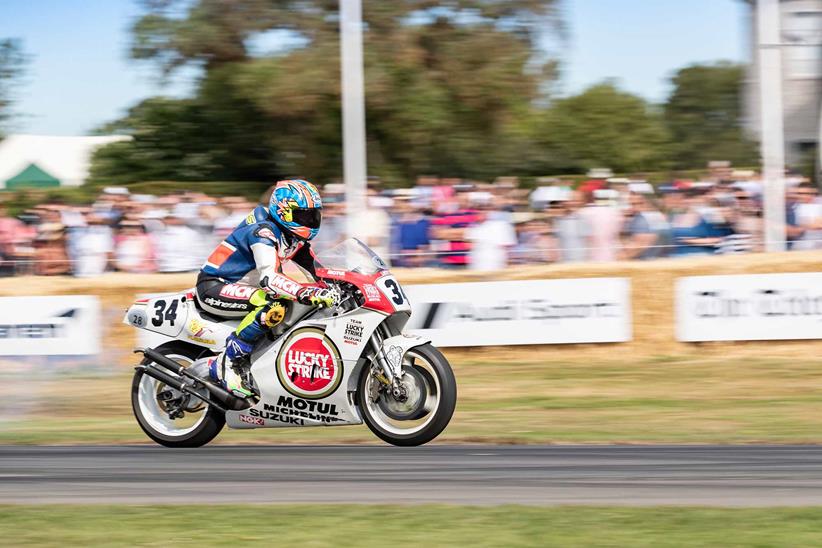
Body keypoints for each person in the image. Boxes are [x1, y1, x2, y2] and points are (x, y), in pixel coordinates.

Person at [196, 179, 339, 397]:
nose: (310, 220)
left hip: (242, 287)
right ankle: (228, 362)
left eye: (313, 215)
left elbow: (319, 271)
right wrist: (305, 292)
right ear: (283, 213)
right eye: (302, 215)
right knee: (274, 305)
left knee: (294, 304)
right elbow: (269, 279)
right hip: (216, 285)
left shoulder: (294, 237)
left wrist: (338, 286)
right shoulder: (263, 232)